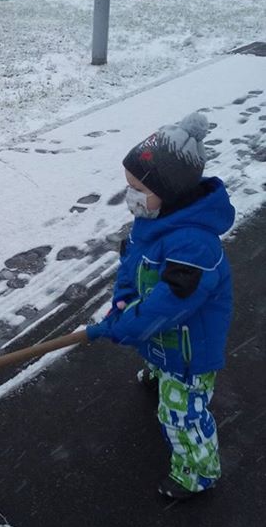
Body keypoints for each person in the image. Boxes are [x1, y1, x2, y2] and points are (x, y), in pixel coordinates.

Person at [86, 112, 235, 501]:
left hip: (189, 351)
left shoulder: (195, 247)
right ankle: (156, 371)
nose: (129, 196)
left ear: (169, 192)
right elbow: (131, 265)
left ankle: (198, 471)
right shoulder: (152, 221)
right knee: (152, 342)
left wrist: (123, 326)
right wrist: (120, 304)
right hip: (163, 335)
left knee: (181, 414)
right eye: (128, 185)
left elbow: (165, 308)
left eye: (138, 188)